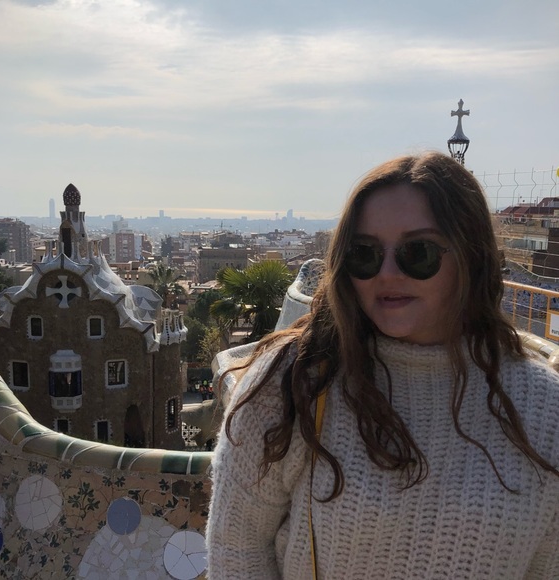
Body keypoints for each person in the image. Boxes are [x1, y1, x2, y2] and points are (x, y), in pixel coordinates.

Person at [206, 152, 559, 579]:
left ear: (471, 256)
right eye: (365, 253)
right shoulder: (294, 380)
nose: (387, 273)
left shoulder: (545, 410)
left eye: (418, 252)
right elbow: (237, 545)